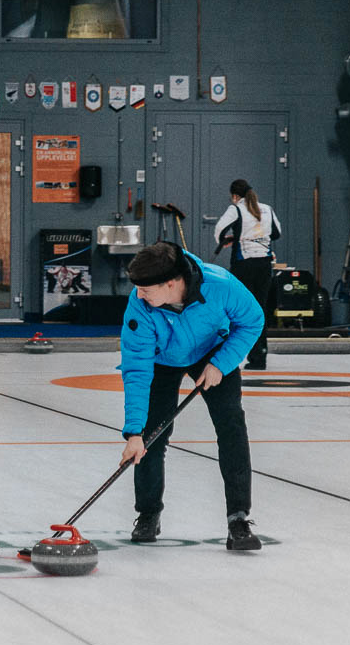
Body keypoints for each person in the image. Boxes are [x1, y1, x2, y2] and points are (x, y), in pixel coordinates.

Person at [118, 240, 267, 552]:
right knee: (150, 435)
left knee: (231, 426)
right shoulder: (140, 305)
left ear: (171, 283)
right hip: (161, 359)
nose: (139, 295)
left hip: (212, 352)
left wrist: (221, 364)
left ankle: (238, 518)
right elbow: (136, 369)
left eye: (146, 289)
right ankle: (148, 513)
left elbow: (252, 320)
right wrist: (133, 431)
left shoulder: (221, 285)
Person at [212, 179, 282, 370]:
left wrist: (227, 240)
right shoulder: (267, 208)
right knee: (260, 310)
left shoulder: (236, 209)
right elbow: (276, 233)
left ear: (235, 196)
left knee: (237, 309)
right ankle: (259, 357)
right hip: (264, 263)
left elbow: (219, 229)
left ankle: (230, 356)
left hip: (243, 264)